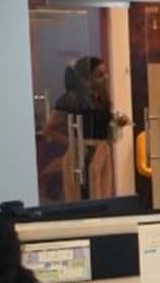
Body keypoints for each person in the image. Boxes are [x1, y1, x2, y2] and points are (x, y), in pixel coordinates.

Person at [50, 55, 130, 200]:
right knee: (80, 199)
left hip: (100, 154)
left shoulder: (102, 99)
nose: (106, 78)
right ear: (86, 79)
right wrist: (75, 144)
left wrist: (118, 123)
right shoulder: (71, 99)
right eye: (100, 75)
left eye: (105, 74)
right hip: (79, 156)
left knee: (101, 198)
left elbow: (105, 131)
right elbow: (50, 129)